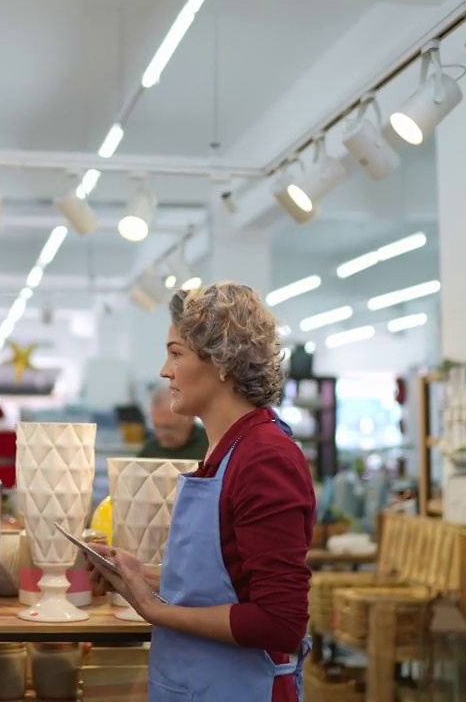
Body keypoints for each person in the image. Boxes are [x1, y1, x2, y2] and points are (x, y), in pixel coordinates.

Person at [89, 282, 316, 702]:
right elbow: (226, 581)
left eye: (176, 353)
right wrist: (138, 572)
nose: (164, 370)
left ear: (223, 362)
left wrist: (155, 609)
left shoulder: (265, 459)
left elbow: (280, 621)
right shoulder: (225, 450)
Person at [137, 383, 209, 460]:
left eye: (169, 428)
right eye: (157, 426)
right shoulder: (149, 451)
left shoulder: (211, 446)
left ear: (191, 418)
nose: (162, 434)